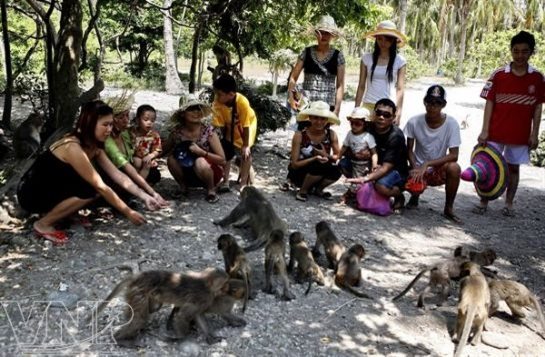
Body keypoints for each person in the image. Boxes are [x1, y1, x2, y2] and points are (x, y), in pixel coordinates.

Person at [16, 101, 163, 245]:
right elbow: (100, 186)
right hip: (31, 193)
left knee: (91, 186)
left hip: (54, 187)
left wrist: (145, 196)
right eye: (105, 125)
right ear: (89, 124)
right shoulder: (72, 146)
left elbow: (118, 175)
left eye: (111, 124)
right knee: (91, 189)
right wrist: (128, 212)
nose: (109, 129)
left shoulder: (95, 146)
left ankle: (64, 214)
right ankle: (43, 224)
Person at [476, 30, 544, 216]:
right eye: (516, 51)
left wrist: (534, 134)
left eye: (524, 51)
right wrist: (484, 130)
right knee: (487, 167)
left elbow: (538, 107)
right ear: (511, 51)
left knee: (514, 168)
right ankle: (483, 202)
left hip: (520, 134)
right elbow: (489, 102)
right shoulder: (498, 75)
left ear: (531, 52)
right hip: (495, 131)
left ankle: (509, 204)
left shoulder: (538, 78)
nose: (519, 55)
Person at [404, 85, 462, 223]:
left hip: (436, 168)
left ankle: (448, 208)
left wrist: (428, 163)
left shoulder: (452, 124)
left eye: (438, 103)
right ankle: (412, 197)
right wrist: (415, 168)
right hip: (416, 168)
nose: (432, 106)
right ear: (424, 102)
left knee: (455, 168)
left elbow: (454, 155)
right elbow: (409, 149)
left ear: (444, 105)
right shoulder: (414, 121)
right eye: (429, 102)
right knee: (398, 170)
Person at [104, 94, 167, 205]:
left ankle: (132, 194)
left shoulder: (125, 134)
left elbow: (139, 150)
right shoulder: (108, 140)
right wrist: (151, 193)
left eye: (127, 116)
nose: (126, 121)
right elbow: (124, 165)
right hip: (115, 175)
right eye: (121, 117)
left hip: (129, 171)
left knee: (152, 173)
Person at [347, 98, 408, 210]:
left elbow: (386, 167)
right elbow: (350, 144)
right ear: (374, 113)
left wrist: (365, 178)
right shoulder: (367, 127)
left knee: (380, 186)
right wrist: (356, 153)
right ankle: (358, 190)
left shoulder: (396, 136)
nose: (381, 117)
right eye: (379, 113)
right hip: (372, 163)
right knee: (344, 164)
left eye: (386, 115)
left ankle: (398, 195)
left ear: (393, 118)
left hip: (395, 169)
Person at [164, 94, 226, 203]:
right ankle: (183, 188)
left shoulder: (208, 131)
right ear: (183, 113)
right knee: (171, 159)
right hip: (187, 172)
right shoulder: (177, 132)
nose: (196, 112)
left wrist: (202, 152)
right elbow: (163, 150)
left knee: (200, 161)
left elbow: (222, 160)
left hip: (209, 172)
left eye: (198, 109)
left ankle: (211, 190)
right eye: (191, 109)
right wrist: (149, 156)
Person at [288, 15, 345, 117]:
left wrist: (337, 109)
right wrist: (291, 98)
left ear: (332, 35)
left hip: (327, 106)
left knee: (325, 132)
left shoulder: (338, 56)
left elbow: (340, 85)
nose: (324, 36)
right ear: (316, 34)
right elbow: (293, 78)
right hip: (307, 105)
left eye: (327, 33)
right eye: (321, 32)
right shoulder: (306, 52)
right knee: (303, 132)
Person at [287, 101, 342, 202]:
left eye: (323, 118)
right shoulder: (299, 135)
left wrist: (326, 156)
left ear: (327, 120)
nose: (319, 122)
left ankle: (318, 189)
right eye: (316, 118)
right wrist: (315, 158)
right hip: (300, 172)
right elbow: (294, 164)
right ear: (310, 118)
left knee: (339, 168)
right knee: (318, 165)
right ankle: (302, 191)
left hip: (320, 171)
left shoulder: (331, 134)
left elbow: (337, 156)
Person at [355, 20, 407, 126]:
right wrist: (356, 109)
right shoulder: (366, 58)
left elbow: (400, 89)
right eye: (380, 39)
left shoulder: (400, 61)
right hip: (368, 106)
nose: (383, 43)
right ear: (376, 39)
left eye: (387, 39)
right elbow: (361, 86)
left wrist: (399, 113)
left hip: (388, 108)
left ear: (393, 41)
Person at [211, 74, 257, 191]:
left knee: (245, 154)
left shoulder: (242, 102)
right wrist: (225, 140)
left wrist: (246, 145)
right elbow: (219, 124)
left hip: (246, 128)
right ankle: (225, 180)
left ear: (230, 94)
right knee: (226, 152)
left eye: (220, 94)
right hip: (229, 127)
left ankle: (243, 184)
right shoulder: (217, 103)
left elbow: (246, 125)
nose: (217, 96)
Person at [338, 107, 378, 203]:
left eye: (358, 124)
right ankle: (356, 194)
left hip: (363, 164)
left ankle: (347, 195)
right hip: (352, 161)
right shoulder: (349, 134)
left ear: (365, 124)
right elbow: (344, 146)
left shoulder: (368, 137)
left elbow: (374, 153)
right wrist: (338, 155)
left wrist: (374, 165)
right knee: (350, 174)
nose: (354, 126)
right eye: (352, 123)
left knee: (357, 181)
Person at [131, 104, 162, 180]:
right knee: (137, 161)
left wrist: (150, 156)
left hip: (147, 159)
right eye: (146, 119)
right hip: (132, 158)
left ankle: (140, 185)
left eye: (152, 120)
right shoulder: (131, 132)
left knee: (148, 166)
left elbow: (158, 150)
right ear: (138, 120)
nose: (149, 122)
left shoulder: (154, 135)